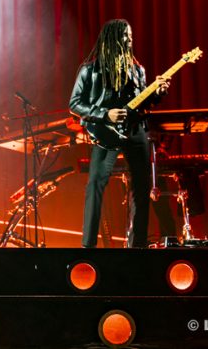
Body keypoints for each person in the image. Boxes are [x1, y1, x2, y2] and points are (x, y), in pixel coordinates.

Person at [70, 19, 169, 248]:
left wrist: (157, 94)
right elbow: (75, 103)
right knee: (95, 184)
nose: (130, 38)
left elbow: (143, 103)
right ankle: (88, 247)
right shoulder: (91, 70)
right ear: (112, 37)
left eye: (131, 34)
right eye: (125, 34)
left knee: (141, 188)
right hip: (105, 133)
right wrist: (105, 114)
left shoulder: (138, 69)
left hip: (136, 131)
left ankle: (138, 245)